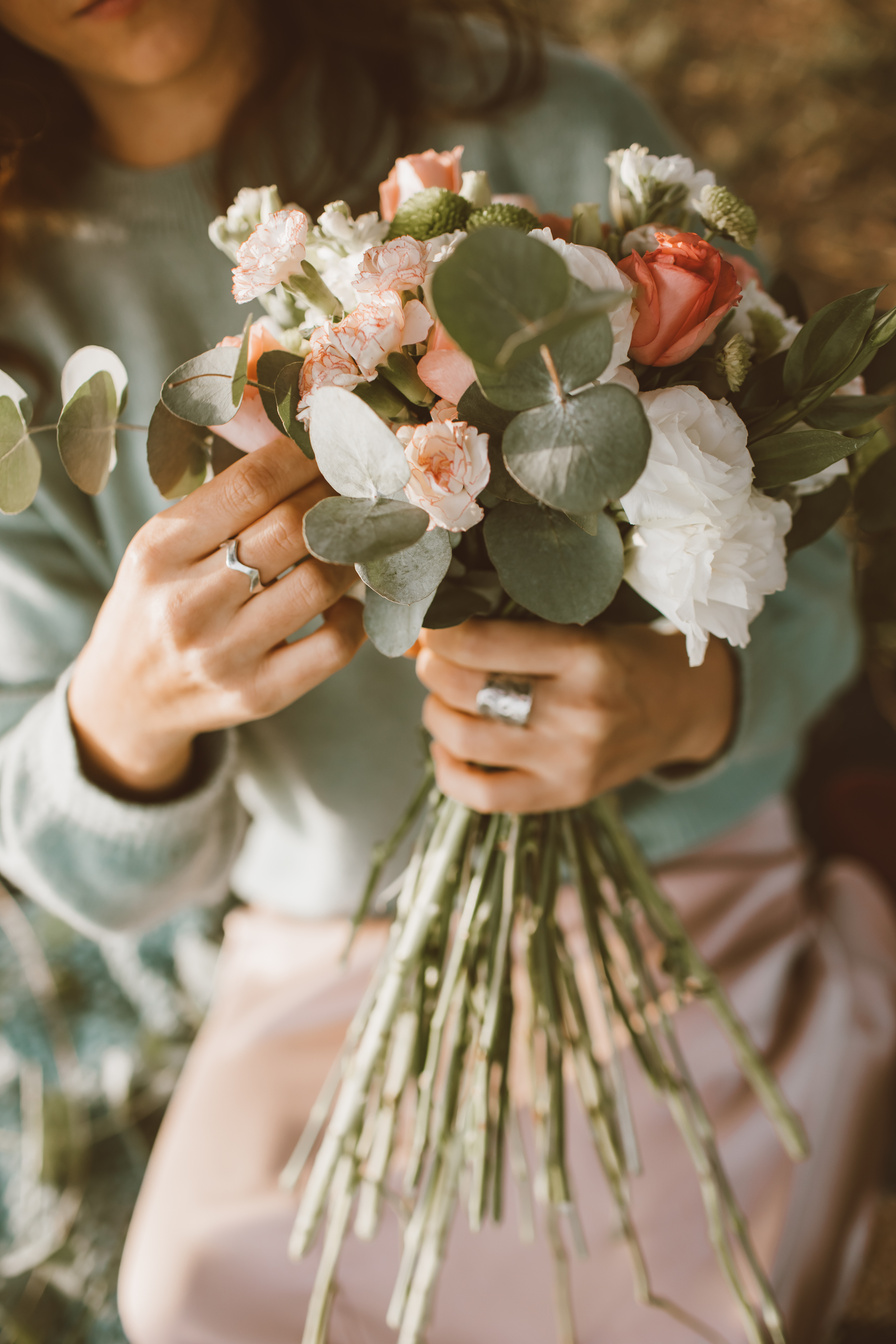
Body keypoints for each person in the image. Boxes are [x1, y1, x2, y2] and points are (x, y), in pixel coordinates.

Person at [0, 3, 893, 1342]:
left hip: (696, 917)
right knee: (194, 1302)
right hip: (325, 982)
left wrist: (681, 707)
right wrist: (120, 721)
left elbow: (818, 569)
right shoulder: (20, 318)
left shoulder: (557, 122)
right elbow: (67, 861)